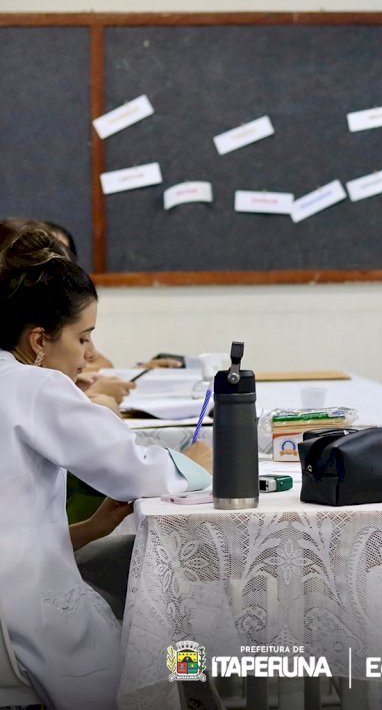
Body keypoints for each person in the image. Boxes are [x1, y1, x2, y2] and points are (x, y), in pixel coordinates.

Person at [0, 227, 213, 710]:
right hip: (26, 622)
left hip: (10, 602)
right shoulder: (35, 388)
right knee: (169, 597)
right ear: (38, 340)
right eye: (83, 337)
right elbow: (135, 471)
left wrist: (92, 527)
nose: (90, 354)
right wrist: (194, 463)